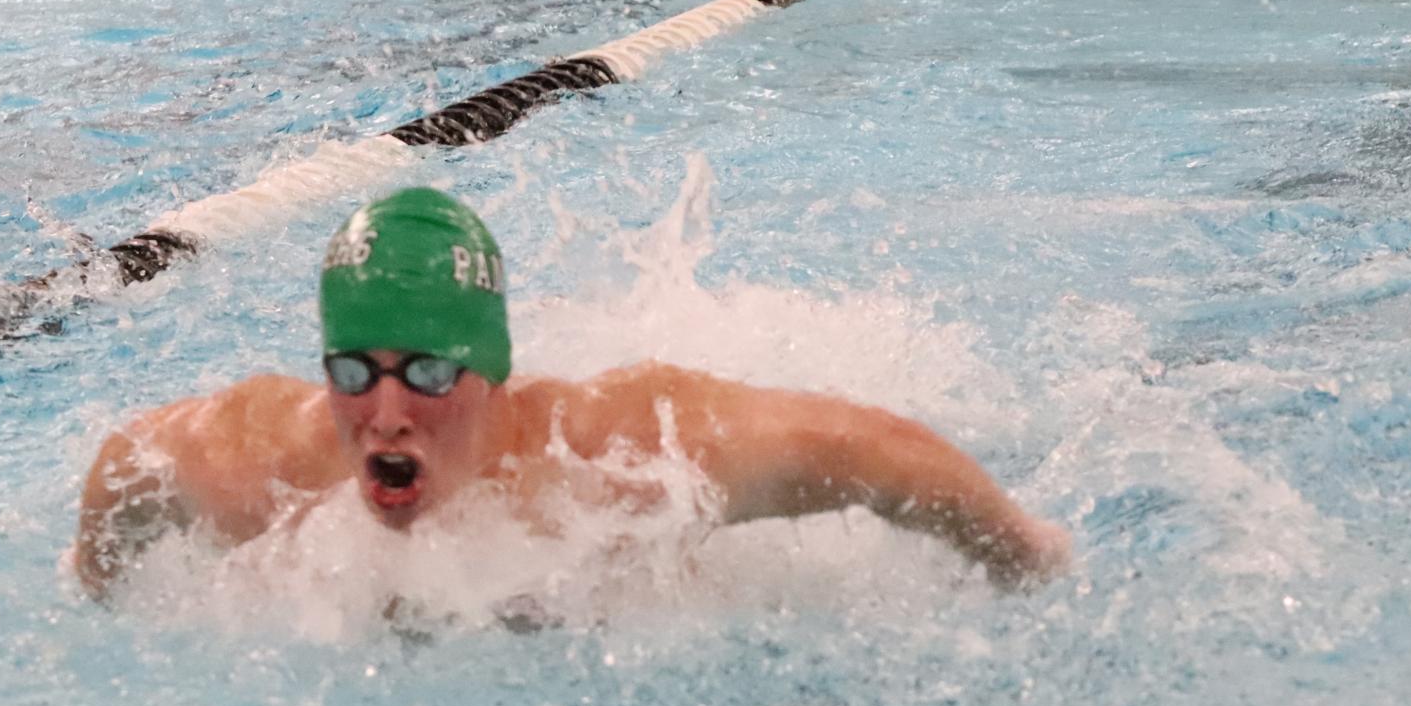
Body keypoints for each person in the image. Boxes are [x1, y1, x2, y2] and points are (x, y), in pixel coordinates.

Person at [75, 187, 1069, 600]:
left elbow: (868, 448)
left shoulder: (618, 454)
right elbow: (128, 467)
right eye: (354, 370)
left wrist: (1023, 553)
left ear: (489, 371)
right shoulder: (263, 464)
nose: (384, 411)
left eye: (426, 371)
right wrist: (97, 588)